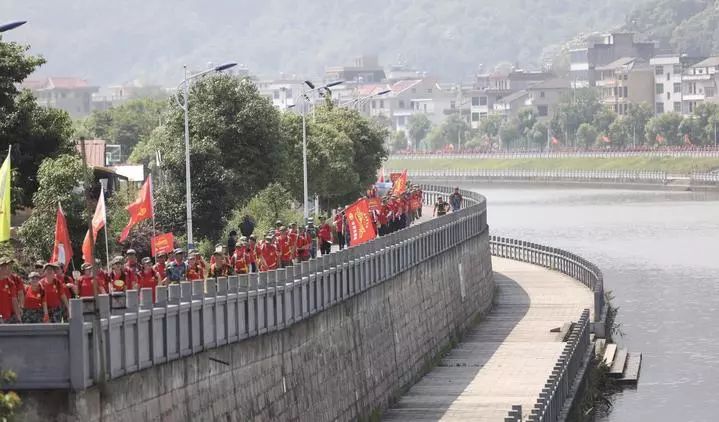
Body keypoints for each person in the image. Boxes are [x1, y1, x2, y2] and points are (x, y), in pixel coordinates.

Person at [0, 257, 22, 323]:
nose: (6, 269)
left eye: (6, 267)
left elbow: (14, 301)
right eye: (3, 267)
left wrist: (19, 318)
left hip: (7, 318)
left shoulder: (10, 283)